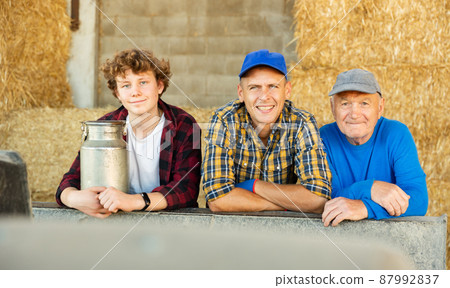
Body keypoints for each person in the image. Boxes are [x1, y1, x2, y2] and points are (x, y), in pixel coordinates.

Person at [56, 49, 201, 218]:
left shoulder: (186, 125)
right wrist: (73, 198)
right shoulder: (104, 125)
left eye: (143, 82)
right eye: (126, 85)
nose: (135, 92)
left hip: (167, 221)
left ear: (159, 85)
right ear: (117, 93)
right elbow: (69, 180)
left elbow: (186, 189)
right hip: (114, 220)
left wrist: (133, 201)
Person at [202, 49, 332, 212]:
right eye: (254, 87)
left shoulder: (302, 123)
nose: (264, 96)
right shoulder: (224, 121)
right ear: (241, 93)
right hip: (232, 229)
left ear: (287, 91)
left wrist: (255, 186)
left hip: (283, 231)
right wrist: (286, 205)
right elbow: (217, 199)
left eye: (273, 86)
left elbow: (318, 197)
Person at [320, 69, 428, 226]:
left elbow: (418, 200)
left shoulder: (396, 134)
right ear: (332, 108)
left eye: (364, 103)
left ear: (380, 107)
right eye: (345, 104)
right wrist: (370, 188)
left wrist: (364, 208)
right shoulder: (323, 138)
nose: (354, 114)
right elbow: (327, 200)